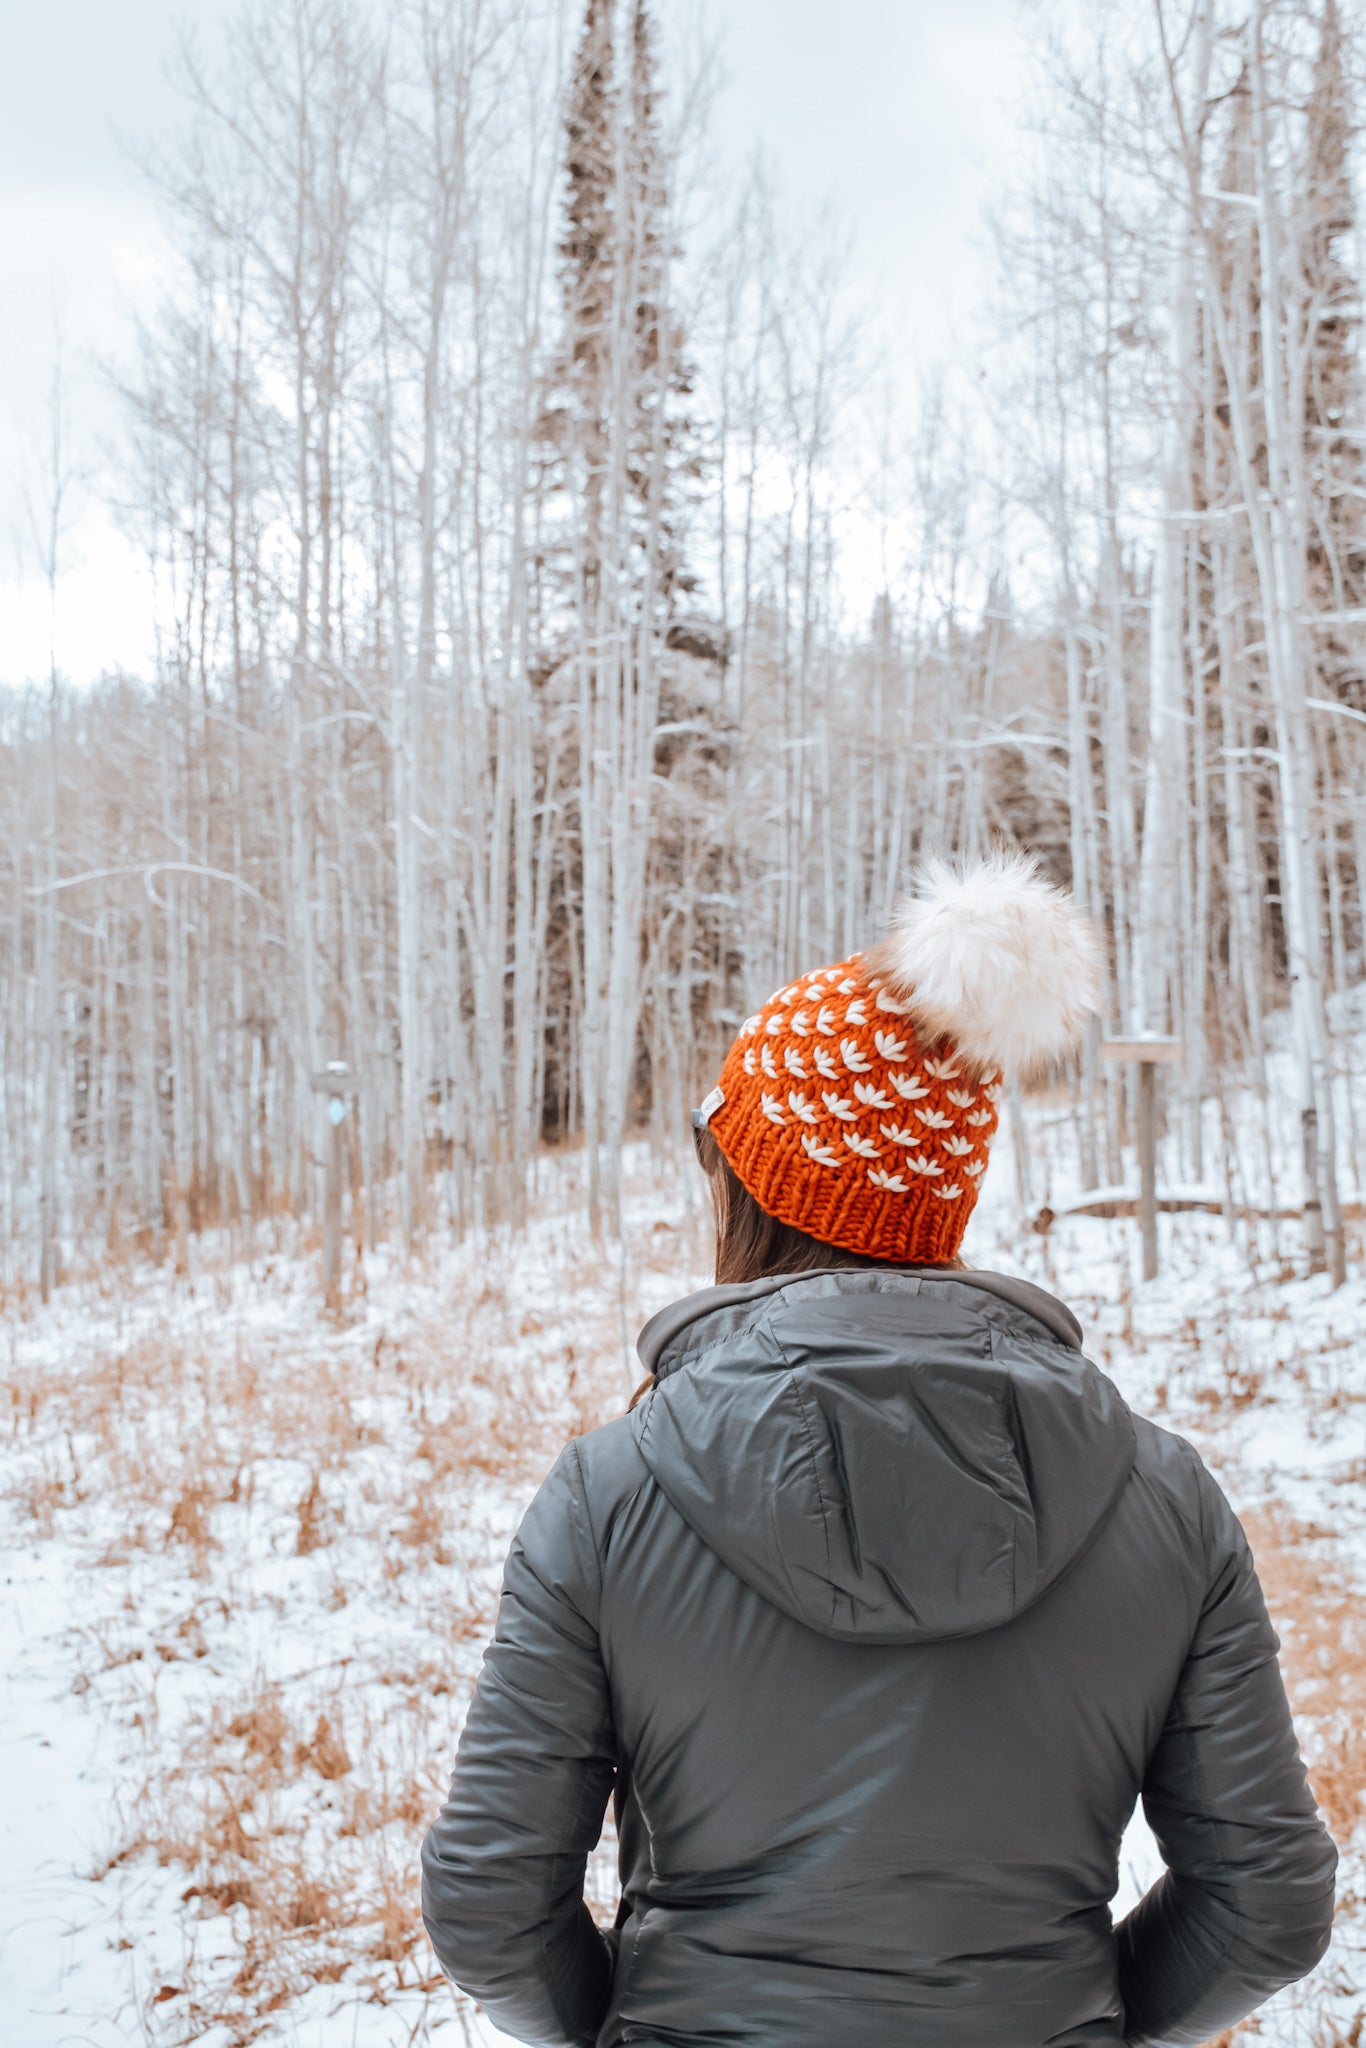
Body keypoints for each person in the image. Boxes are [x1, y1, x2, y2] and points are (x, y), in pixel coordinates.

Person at [421, 850, 1337, 2048]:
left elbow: (489, 1900)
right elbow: (1267, 1903)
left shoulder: (610, 1492)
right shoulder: (1160, 1494)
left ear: (749, 1192)